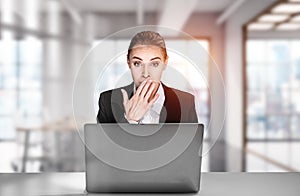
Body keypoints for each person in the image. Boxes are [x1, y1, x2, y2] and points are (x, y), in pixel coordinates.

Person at [97, 31, 198, 124]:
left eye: (154, 64)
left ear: (165, 63)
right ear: (129, 64)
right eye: (137, 63)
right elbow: (101, 143)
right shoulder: (107, 101)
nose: (145, 74)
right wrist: (130, 121)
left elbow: (193, 143)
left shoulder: (186, 102)